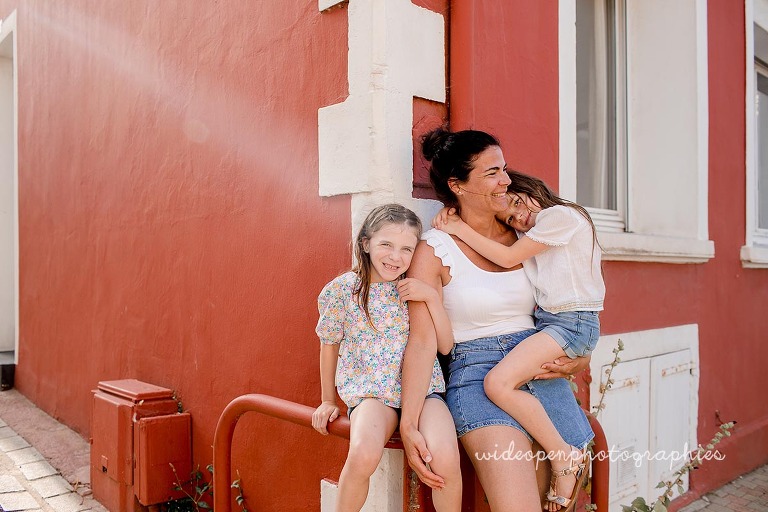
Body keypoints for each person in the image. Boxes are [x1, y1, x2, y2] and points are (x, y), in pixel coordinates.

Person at [400, 128, 595, 512]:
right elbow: (422, 342)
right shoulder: (434, 250)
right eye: (491, 173)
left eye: (503, 169)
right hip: (477, 376)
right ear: (457, 185)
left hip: (536, 367)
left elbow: (571, 302)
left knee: (561, 503)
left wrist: (582, 357)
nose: (505, 180)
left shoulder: (530, 235)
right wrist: (409, 423)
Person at [311, 203, 462, 512]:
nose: (396, 257)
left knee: (445, 457)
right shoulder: (343, 291)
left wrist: (431, 297)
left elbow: (445, 346)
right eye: (386, 245)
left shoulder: (413, 288)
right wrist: (328, 400)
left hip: (423, 392)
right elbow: (329, 344)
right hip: (372, 394)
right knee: (363, 452)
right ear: (366, 243)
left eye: (407, 249)